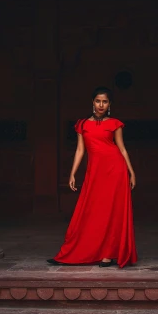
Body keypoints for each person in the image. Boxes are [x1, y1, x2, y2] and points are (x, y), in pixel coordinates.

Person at [47, 86, 138, 268]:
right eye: (98, 101)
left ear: (109, 104)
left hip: (115, 170)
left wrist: (131, 171)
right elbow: (80, 150)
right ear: (92, 102)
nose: (101, 105)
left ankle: (108, 254)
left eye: (105, 101)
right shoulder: (82, 125)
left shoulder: (115, 124)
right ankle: (78, 250)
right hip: (95, 172)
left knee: (112, 211)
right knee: (91, 210)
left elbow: (122, 148)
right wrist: (72, 172)